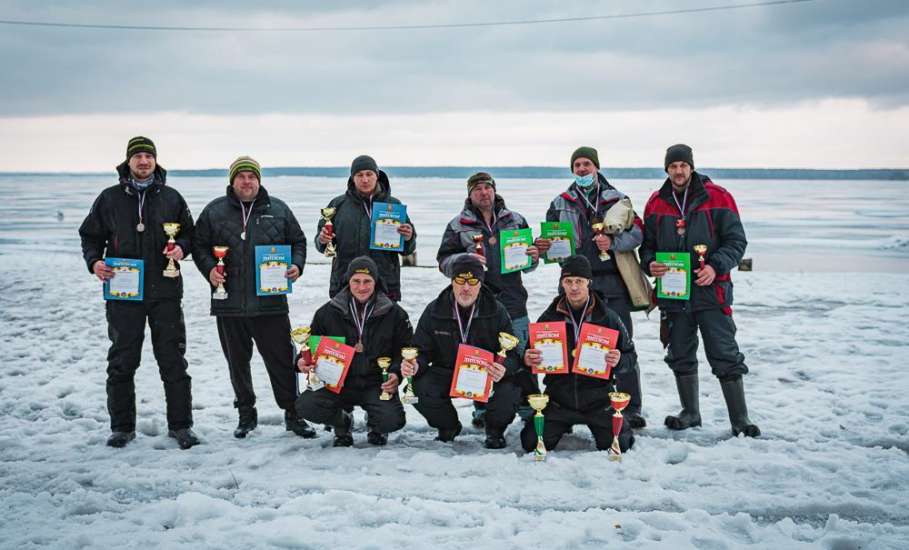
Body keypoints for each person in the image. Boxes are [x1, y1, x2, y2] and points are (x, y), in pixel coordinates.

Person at [79, 136, 198, 449]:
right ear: (128, 161)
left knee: (173, 360)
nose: (144, 162)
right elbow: (90, 236)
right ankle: (121, 427)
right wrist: (95, 263)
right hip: (124, 294)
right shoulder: (109, 198)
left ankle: (181, 426)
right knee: (122, 361)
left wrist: (181, 249)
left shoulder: (172, 197)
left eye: (148, 156)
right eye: (138, 157)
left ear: (155, 161)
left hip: (166, 292)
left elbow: (190, 234)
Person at [639, 144, 760, 437]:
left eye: (683, 165)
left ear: (691, 167)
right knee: (680, 353)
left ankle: (740, 420)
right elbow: (648, 247)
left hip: (711, 293)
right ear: (666, 169)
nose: (678, 171)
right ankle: (691, 412)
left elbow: (736, 242)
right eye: (673, 166)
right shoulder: (656, 202)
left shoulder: (718, 197)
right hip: (673, 295)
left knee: (725, 353)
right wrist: (651, 264)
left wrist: (714, 267)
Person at [192, 156, 316, 439]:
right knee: (237, 362)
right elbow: (198, 245)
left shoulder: (279, 209)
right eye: (241, 177)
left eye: (252, 177)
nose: (247, 182)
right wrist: (210, 270)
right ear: (232, 181)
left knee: (282, 360)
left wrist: (297, 265)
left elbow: (298, 241)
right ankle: (246, 414)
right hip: (229, 303)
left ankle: (293, 414)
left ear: (259, 181)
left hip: (270, 305)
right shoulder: (214, 211)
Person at [535, 146, 647, 429]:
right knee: (571, 343)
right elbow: (549, 238)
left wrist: (613, 243)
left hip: (612, 279)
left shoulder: (618, 200)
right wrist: (544, 246)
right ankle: (568, 405)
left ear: (596, 167)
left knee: (622, 344)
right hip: (574, 282)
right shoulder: (560, 202)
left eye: (587, 164)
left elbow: (638, 233)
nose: (582, 169)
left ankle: (630, 407)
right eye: (577, 165)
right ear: (573, 170)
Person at [436, 171, 540, 428]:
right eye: (478, 188)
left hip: (514, 301)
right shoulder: (458, 224)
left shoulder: (515, 220)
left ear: (494, 191)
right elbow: (443, 261)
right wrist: (463, 261)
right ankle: (481, 408)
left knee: (521, 356)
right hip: (477, 304)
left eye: (488, 187)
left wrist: (534, 256)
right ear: (470, 194)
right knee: (481, 357)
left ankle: (530, 411)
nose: (484, 192)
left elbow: (528, 265)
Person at [402, 255, 522, 449]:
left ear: (481, 284)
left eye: (473, 281)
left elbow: (513, 355)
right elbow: (420, 350)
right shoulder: (435, 309)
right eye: (460, 280)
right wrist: (416, 364)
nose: (466, 287)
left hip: (485, 374)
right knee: (416, 386)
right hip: (447, 372)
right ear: (452, 282)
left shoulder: (496, 310)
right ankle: (447, 427)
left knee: (512, 387)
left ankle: (495, 430)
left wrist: (503, 368)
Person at [520, 256, 635, 453]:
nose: (574, 287)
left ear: (589, 283)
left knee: (621, 444)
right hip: (559, 401)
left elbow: (630, 357)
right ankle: (562, 424)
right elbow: (529, 354)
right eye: (568, 281)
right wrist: (528, 358)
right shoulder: (549, 318)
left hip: (598, 401)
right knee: (530, 443)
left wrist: (619, 360)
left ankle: (616, 423)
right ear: (562, 283)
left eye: (579, 281)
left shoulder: (608, 317)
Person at [295, 256, 411, 446]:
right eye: (356, 281)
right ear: (348, 282)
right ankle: (342, 421)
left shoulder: (395, 314)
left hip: (376, 383)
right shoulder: (327, 312)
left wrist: (396, 373)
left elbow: (405, 349)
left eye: (367, 281)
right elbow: (311, 346)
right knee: (306, 406)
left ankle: (376, 425)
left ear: (376, 282)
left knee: (392, 420)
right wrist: (302, 361)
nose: (361, 287)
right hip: (337, 383)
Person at [316, 155, 416, 302]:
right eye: (359, 175)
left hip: (384, 285)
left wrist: (408, 237)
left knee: (384, 325)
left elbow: (407, 250)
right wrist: (322, 240)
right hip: (345, 284)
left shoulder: (393, 206)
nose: (365, 179)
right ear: (352, 178)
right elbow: (322, 246)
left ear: (377, 176)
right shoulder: (338, 205)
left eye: (369, 174)